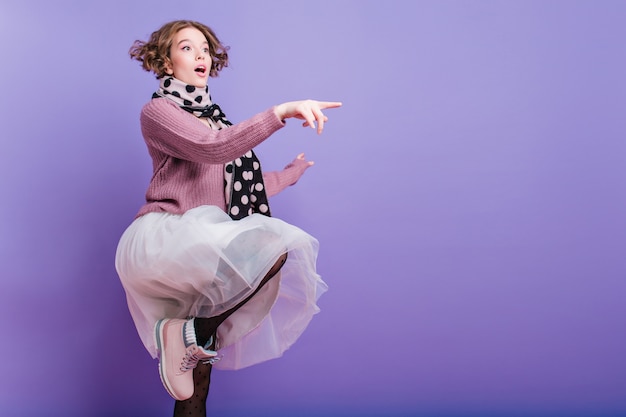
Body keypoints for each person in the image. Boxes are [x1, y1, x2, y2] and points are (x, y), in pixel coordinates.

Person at [115, 19, 341, 416]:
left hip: (207, 243)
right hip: (170, 238)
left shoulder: (215, 117)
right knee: (275, 245)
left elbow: (237, 185)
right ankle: (184, 334)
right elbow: (212, 149)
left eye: (204, 48)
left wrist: (290, 173)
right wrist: (281, 112)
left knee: (196, 377)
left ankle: (187, 338)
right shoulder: (159, 112)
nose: (200, 54)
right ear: (166, 63)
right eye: (187, 48)